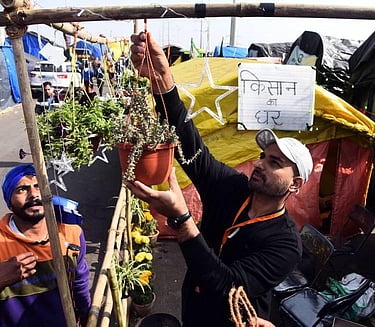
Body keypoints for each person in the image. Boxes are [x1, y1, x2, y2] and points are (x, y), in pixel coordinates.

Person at [128, 32, 313, 326]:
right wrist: (162, 83)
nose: (260, 164)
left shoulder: (286, 244)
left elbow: (227, 287)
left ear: (295, 184)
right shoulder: (233, 188)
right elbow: (194, 151)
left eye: (275, 162)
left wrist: (182, 220)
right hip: (193, 305)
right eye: (263, 156)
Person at [0, 164, 91, 326]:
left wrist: (86, 317)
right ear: (9, 202)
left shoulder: (71, 232)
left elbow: (79, 282)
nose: (34, 194)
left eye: (39, 186)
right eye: (22, 189)